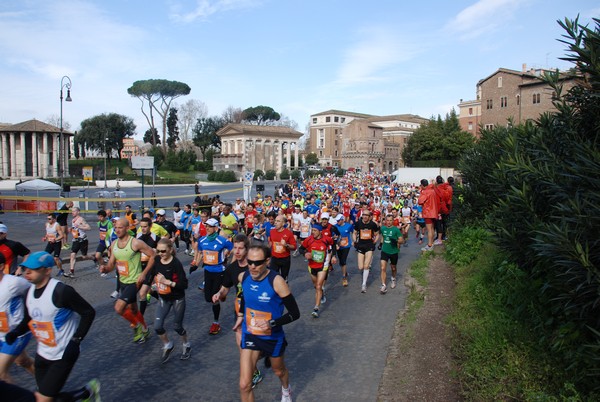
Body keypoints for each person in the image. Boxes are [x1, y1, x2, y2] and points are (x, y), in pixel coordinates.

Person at [4, 251, 99, 402]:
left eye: (33, 269)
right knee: (46, 397)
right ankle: (85, 393)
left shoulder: (61, 292)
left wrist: (76, 341)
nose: (27, 272)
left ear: (47, 270)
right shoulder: (29, 292)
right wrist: (15, 332)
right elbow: (29, 319)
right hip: (42, 353)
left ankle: (86, 393)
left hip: (63, 354)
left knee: (42, 399)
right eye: (25, 268)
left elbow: (88, 313)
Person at [233, 244, 300, 402]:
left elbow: (295, 313)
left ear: (267, 261)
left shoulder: (277, 281)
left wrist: (272, 323)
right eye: (250, 262)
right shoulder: (243, 277)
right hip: (250, 334)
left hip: (272, 337)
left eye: (258, 263)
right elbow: (245, 297)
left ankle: (286, 390)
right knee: (244, 385)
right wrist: (241, 315)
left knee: (279, 371)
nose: (253, 266)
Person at [212, 234, 264, 389]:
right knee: (243, 347)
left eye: (241, 248)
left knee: (259, 349)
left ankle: (260, 356)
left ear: (247, 249)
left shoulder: (255, 266)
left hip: (258, 312)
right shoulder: (231, 269)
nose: (237, 251)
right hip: (240, 313)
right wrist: (219, 294)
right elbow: (225, 288)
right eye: (235, 247)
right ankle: (254, 374)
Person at [99, 218, 156, 344]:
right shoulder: (114, 244)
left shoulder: (136, 243)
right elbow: (111, 265)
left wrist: (144, 273)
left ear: (127, 228)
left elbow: (152, 255)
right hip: (123, 281)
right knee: (134, 309)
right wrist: (105, 268)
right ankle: (145, 329)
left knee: (119, 308)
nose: (117, 229)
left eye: (120, 227)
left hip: (134, 282)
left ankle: (137, 327)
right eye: (116, 227)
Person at [148, 238, 190, 363]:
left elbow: (184, 284)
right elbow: (152, 275)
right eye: (158, 251)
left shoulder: (176, 264)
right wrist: (151, 286)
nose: (160, 253)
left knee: (177, 326)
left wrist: (167, 282)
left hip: (177, 298)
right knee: (157, 326)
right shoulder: (156, 260)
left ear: (170, 250)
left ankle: (186, 345)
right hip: (163, 298)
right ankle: (168, 345)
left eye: (163, 251)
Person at [0, 253, 34, 383]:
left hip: (16, 334)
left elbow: (36, 291)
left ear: (1, 266)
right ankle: (46, 390)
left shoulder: (14, 283)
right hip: (0, 334)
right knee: (23, 361)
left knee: (1, 375)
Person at [197, 218, 233, 335]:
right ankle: (222, 294)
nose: (207, 228)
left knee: (214, 299)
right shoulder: (202, 240)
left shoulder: (222, 240)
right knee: (208, 298)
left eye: (210, 226)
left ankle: (216, 323)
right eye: (206, 226)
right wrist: (196, 262)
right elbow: (199, 251)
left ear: (216, 228)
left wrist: (227, 256)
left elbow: (232, 248)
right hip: (207, 271)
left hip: (219, 271)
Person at [301, 227, 335, 318]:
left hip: (323, 266)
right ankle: (321, 293)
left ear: (320, 231)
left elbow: (333, 245)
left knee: (319, 286)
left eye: (315, 230)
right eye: (312, 230)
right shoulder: (309, 239)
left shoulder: (326, 239)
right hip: (312, 266)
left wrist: (333, 256)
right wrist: (305, 254)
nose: (313, 232)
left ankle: (316, 308)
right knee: (316, 286)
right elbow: (301, 248)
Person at [353, 209, 379, 293]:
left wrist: (375, 241)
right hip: (360, 245)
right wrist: (355, 241)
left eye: (366, 215)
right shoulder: (358, 224)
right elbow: (354, 233)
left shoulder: (373, 224)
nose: (364, 216)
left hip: (369, 246)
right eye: (363, 215)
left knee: (366, 266)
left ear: (370, 217)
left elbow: (377, 233)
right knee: (360, 267)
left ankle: (364, 284)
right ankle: (365, 273)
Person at [379, 215, 404, 293]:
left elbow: (402, 240)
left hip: (393, 252)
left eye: (390, 220)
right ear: (385, 221)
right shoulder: (383, 228)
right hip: (384, 251)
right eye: (387, 220)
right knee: (383, 268)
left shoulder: (396, 230)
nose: (389, 222)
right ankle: (383, 285)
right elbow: (383, 236)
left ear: (393, 221)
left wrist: (396, 241)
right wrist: (380, 243)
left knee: (393, 268)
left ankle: (393, 278)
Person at [67, 207, 94, 278]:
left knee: (84, 256)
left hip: (83, 240)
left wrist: (79, 226)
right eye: (72, 211)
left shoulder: (81, 219)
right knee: (72, 255)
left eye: (74, 211)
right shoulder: (73, 220)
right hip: (76, 240)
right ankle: (71, 271)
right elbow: (75, 229)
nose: (72, 213)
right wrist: (71, 229)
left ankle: (94, 259)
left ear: (78, 212)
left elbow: (88, 227)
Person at [268, 216, 297, 283]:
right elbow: (271, 243)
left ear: (283, 223)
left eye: (278, 221)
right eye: (275, 221)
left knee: (283, 280)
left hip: (285, 259)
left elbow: (294, 247)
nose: (275, 223)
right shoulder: (272, 232)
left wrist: (286, 245)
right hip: (274, 259)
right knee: (273, 278)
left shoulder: (288, 233)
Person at [418, 179, 440, 252]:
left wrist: (421, 192)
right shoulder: (432, 190)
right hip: (434, 211)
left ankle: (429, 245)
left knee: (429, 229)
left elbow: (420, 201)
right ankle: (432, 243)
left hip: (428, 212)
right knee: (432, 228)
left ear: (423, 185)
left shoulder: (425, 192)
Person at [332, 214, 354, 287]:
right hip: (338, 246)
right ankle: (345, 271)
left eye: (339, 220)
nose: (337, 222)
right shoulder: (335, 227)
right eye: (337, 220)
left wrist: (354, 241)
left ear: (342, 220)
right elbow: (332, 236)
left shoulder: (348, 226)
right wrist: (334, 239)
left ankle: (344, 277)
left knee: (343, 260)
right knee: (341, 261)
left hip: (346, 246)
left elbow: (354, 232)